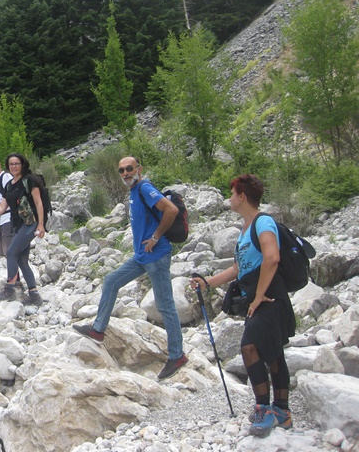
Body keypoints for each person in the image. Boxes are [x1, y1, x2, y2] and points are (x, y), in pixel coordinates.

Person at [191, 174, 295, 436]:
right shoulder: (246, 228)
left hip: (269, 295)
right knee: (271, 350)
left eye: (231, 194)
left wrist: (259, 296)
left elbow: (272, 258)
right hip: (258, 295)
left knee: (250, 347)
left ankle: (263, 409)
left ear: (242, 197)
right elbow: (239, 267)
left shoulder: (263, 222)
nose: (229, 199)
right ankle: (281, 410)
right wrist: (208, 283)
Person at [73, 156, 188, 380]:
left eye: (129, 169)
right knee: (111, 281)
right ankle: (98, 330)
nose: (125, 173)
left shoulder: (144, 187)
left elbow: (171, 210)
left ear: (139, 169)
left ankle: (177, 355)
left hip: (156, 255)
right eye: (121, 170)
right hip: (142, 256)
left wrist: (156, 236)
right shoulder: (134, 192)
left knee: (165, 306)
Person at [0, 153, 44, 306]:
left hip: (31, 224)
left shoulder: (30, 180)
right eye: (11, 164)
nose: (14, 166)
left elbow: (38, 203)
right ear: (8, 166)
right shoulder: (10, 185)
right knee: (22, 260)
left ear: (22, 164)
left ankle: (10, 289)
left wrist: (40, 225)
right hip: (19, 224)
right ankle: (34, 295)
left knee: (10, 251)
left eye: (17, 163)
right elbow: (2, 207)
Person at [0, 157, 24, 289]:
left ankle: (15, 282)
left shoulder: (5, 177)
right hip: (0, 221)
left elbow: (11, 197)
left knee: (10, 252)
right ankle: (15, 280)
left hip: (8, 220)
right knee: (6, 253)